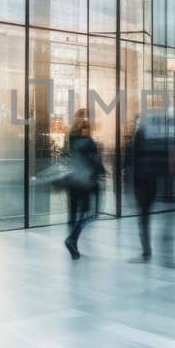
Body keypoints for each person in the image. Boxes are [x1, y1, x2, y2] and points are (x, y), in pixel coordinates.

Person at [129, 107, 175, 260]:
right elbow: (167, 157)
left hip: (142, 179)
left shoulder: (140, 134)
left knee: (144, 214)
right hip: (155, 179)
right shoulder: (160, 136)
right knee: (154, 213)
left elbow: (133, 158)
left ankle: (146, 247)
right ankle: (160, 245)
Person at [63, 109, 104, 259]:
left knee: (80, 212)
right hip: (86, 182)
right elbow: (95, 162)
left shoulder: (72, 139)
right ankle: (72, 238)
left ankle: (73, 236)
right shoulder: (89, 143)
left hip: (73, 180)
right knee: (90, 213)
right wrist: (101, 171)